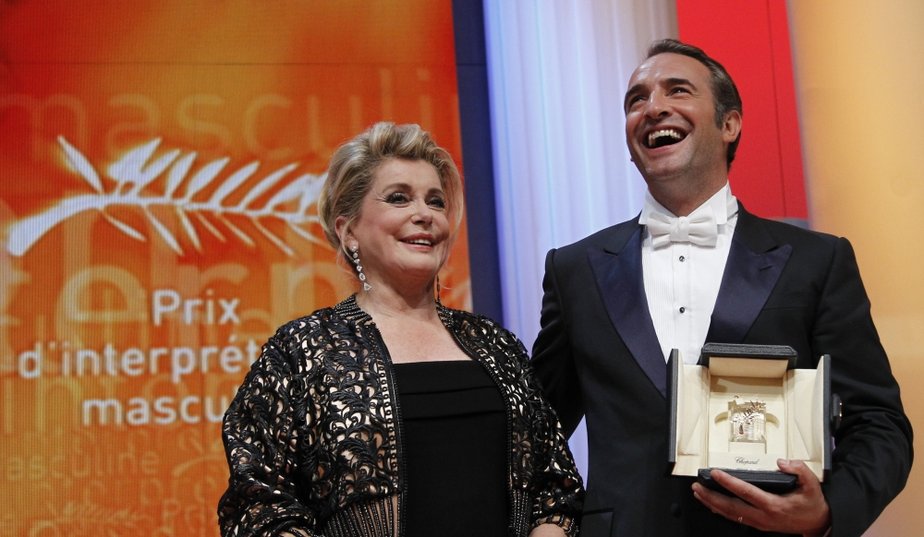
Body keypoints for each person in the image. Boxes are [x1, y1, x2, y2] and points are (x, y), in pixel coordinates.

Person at [531, 38, 912, 536]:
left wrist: (825, 512)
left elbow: (879, 424)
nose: (653, 107)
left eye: (677, 90)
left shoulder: (817, 261)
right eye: (636, 99)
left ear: (729, 124)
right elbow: (535, 433)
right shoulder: (574, 270)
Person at [218, 121, 583, 537]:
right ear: (348, 231)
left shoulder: (495, 344)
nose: (424, 215)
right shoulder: (303, 350)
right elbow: (259, 503)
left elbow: (556, 489)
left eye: (436, 202)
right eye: (398, 198)